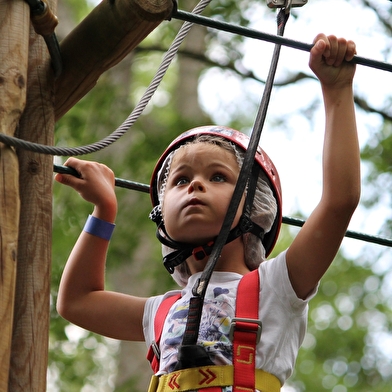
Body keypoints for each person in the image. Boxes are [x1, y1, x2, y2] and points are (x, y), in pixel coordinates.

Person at [55, 33, 360, 391]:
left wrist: (336, 90)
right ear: (160, 212)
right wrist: (104, 211)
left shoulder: (277, 286)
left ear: (256, 207)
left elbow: (339, 201)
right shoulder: (162, 309)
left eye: (217, 176)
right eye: (180, 180)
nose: (194, 186)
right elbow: (76, 302)